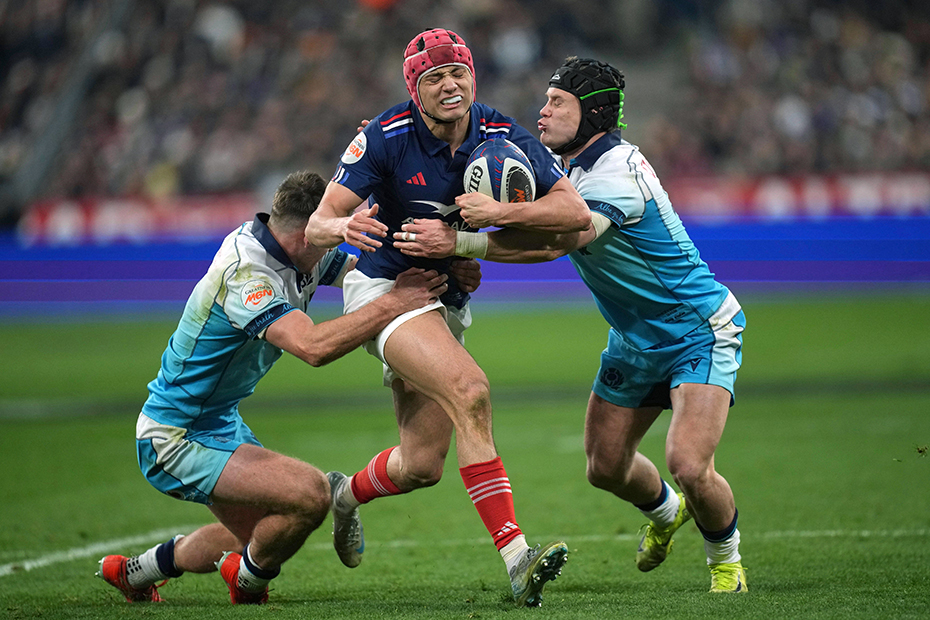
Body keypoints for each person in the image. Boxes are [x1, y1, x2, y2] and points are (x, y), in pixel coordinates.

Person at [394, 57, 748, 594]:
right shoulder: (564, 173)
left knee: (689, 462)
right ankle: (669, 512)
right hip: (633, 339)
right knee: (604, 466)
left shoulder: (620, 170)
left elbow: (571, 234)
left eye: (558, 102)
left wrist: (480, 226)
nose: (543, 112)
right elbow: (544, 244)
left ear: (595, 115)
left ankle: (726, 562)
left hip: (696, 329)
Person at [304, 28, 591, 607]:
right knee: (471, 391)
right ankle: (517, 560)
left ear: (472, 77)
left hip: (443, 298)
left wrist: (480, 226)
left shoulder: (499, 131)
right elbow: (318, 222)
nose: (449, 85)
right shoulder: (384, 136)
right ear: (415, 88)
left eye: (458, 72)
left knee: (421, 464)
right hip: (386, 289)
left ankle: (344, 496)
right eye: (433, 77)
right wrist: (346, 227)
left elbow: (574, 214)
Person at [95, 170, 460, 605]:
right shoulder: (247, 274)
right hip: (176, 436)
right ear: (309, 233)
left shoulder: (295, 247)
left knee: (261, 535)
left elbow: (364, 273)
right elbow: (312, 347)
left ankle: (137, 572)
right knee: (310, 496)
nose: (336, 241)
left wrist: (450, 270)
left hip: (218, 421)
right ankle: (248, 583)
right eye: (330, 232)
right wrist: (395, 302)